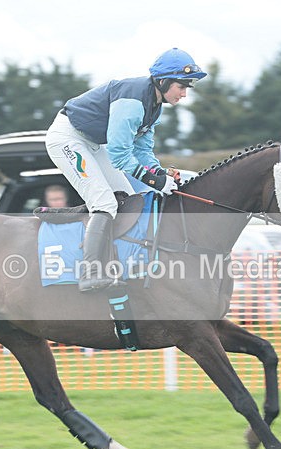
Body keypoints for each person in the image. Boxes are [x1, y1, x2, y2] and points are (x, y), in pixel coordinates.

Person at [45, 47, 207, 292]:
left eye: (187, 87)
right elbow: (120, 155)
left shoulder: (155, 106)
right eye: (181, 86)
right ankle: (89, 274)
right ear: (163, 81)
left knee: (128, 199)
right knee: (105, 203)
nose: (184, 93)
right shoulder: (133, 101)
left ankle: (114, 263)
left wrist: (159, 174)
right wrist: (155, 182)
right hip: (67, 139)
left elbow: (142, 153)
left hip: (93, 143)